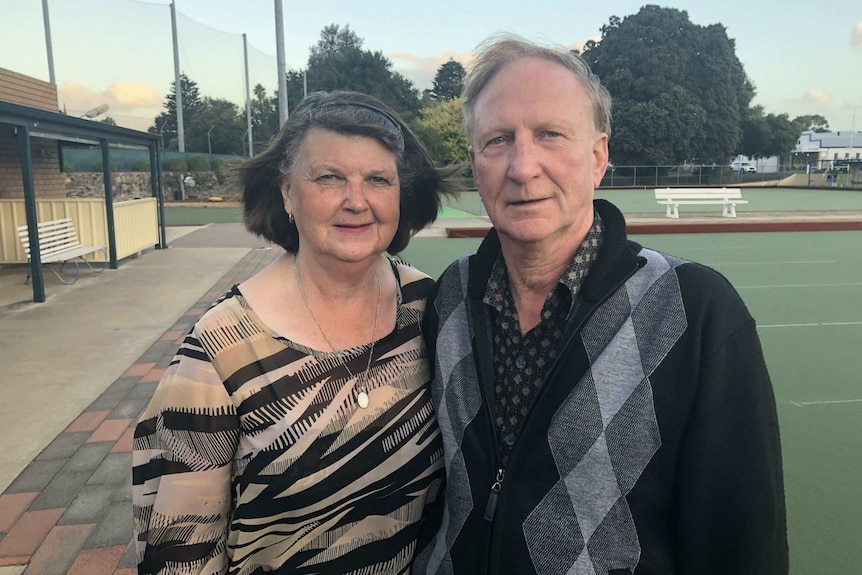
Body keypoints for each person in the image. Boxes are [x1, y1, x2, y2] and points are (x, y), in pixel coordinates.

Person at [414, 36, 788, 575]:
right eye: (499, 140)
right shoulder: (450, 296)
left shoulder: (693, 312)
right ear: (476, 166)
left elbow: (740, 539)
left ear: (597, 157)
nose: (522, 167)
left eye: (550, 135)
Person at [133, 90, 458, 574]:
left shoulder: (428, 305)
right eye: (329, 177)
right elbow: (179, 554)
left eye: (377, 180)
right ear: (286, 191)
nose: (356, 200)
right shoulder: (219, 352)